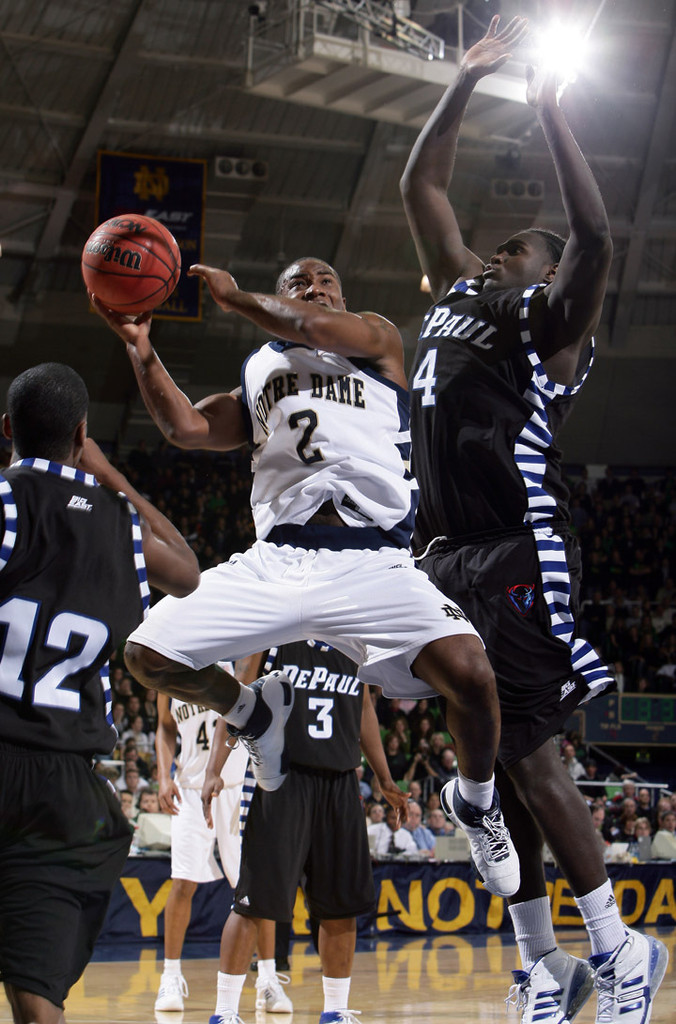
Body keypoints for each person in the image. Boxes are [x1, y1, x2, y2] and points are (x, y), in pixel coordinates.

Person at [91, 253, 520, 899]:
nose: (314, 291)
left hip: (374, 561)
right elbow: (186, 427)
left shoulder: (376, 339)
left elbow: (315, 328)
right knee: (148, 654)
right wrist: (140, 348)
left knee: (473, 673)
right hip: (278, 560)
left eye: (325, 283)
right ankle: (249, 711)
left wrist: (236, 298)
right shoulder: (261, 371)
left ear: (342, 299)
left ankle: (479, 804)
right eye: (299, 284)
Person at [399, 14, 668, 1024]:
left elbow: (595, 236)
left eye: (520, 244)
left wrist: (553, 112)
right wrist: (463, 81)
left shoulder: (548, 328)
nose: (500, 242)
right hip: (441, 554)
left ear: (544, 274)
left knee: (532, 758)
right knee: (499, 778)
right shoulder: (460, 289)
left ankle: (619, 945)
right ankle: (543, 966)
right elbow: (418, 188)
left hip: (515, 550)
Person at [0, 363, 200, 1024]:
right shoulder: (119, 530)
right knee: (36, 995)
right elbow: (188, 570)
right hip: (65, 788)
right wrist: (109, 477)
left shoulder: (6, 500)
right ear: (83, 435)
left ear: (7, 431)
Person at [202, 640, 408, 1024]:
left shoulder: (353, 642)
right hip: (284, 778)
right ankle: (225, 1011)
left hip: (342, 782)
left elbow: (363, 706)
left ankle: (336, 1010)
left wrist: (384, 777)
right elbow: (235, 695)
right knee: (252, 901)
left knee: (340, 907)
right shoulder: (277, 634)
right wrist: (215, 766)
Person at [153, 691, 248, 1013]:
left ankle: (267, 978)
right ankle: (170, 976)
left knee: (252, 890)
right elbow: (164, 726)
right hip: (190, 787)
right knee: (182, 882)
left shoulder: (237, 662)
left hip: (235, 786)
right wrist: (163, 777)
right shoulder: (169, 670)